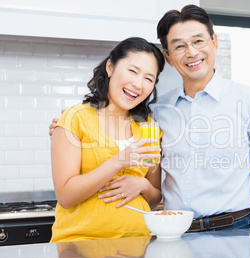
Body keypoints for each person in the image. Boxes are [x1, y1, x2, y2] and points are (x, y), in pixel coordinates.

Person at [49, 5, 250, 232]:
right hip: (175, 230)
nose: (191, 52)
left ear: (214, 42)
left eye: (198, 41)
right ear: (169, 57)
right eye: (180, 46)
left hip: (233, 227)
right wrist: (64, 128)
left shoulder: (248, 99)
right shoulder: (156, 111)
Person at [50, 37, 165, 242]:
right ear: (110, 67)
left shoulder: (149, 129)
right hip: (82, 247)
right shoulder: (76, 118)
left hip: (138, 246)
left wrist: (143, 185)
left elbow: (155, 197)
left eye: (149, 78)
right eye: (132, 71)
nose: (138, 84)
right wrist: (119, 161)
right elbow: (66, 197)